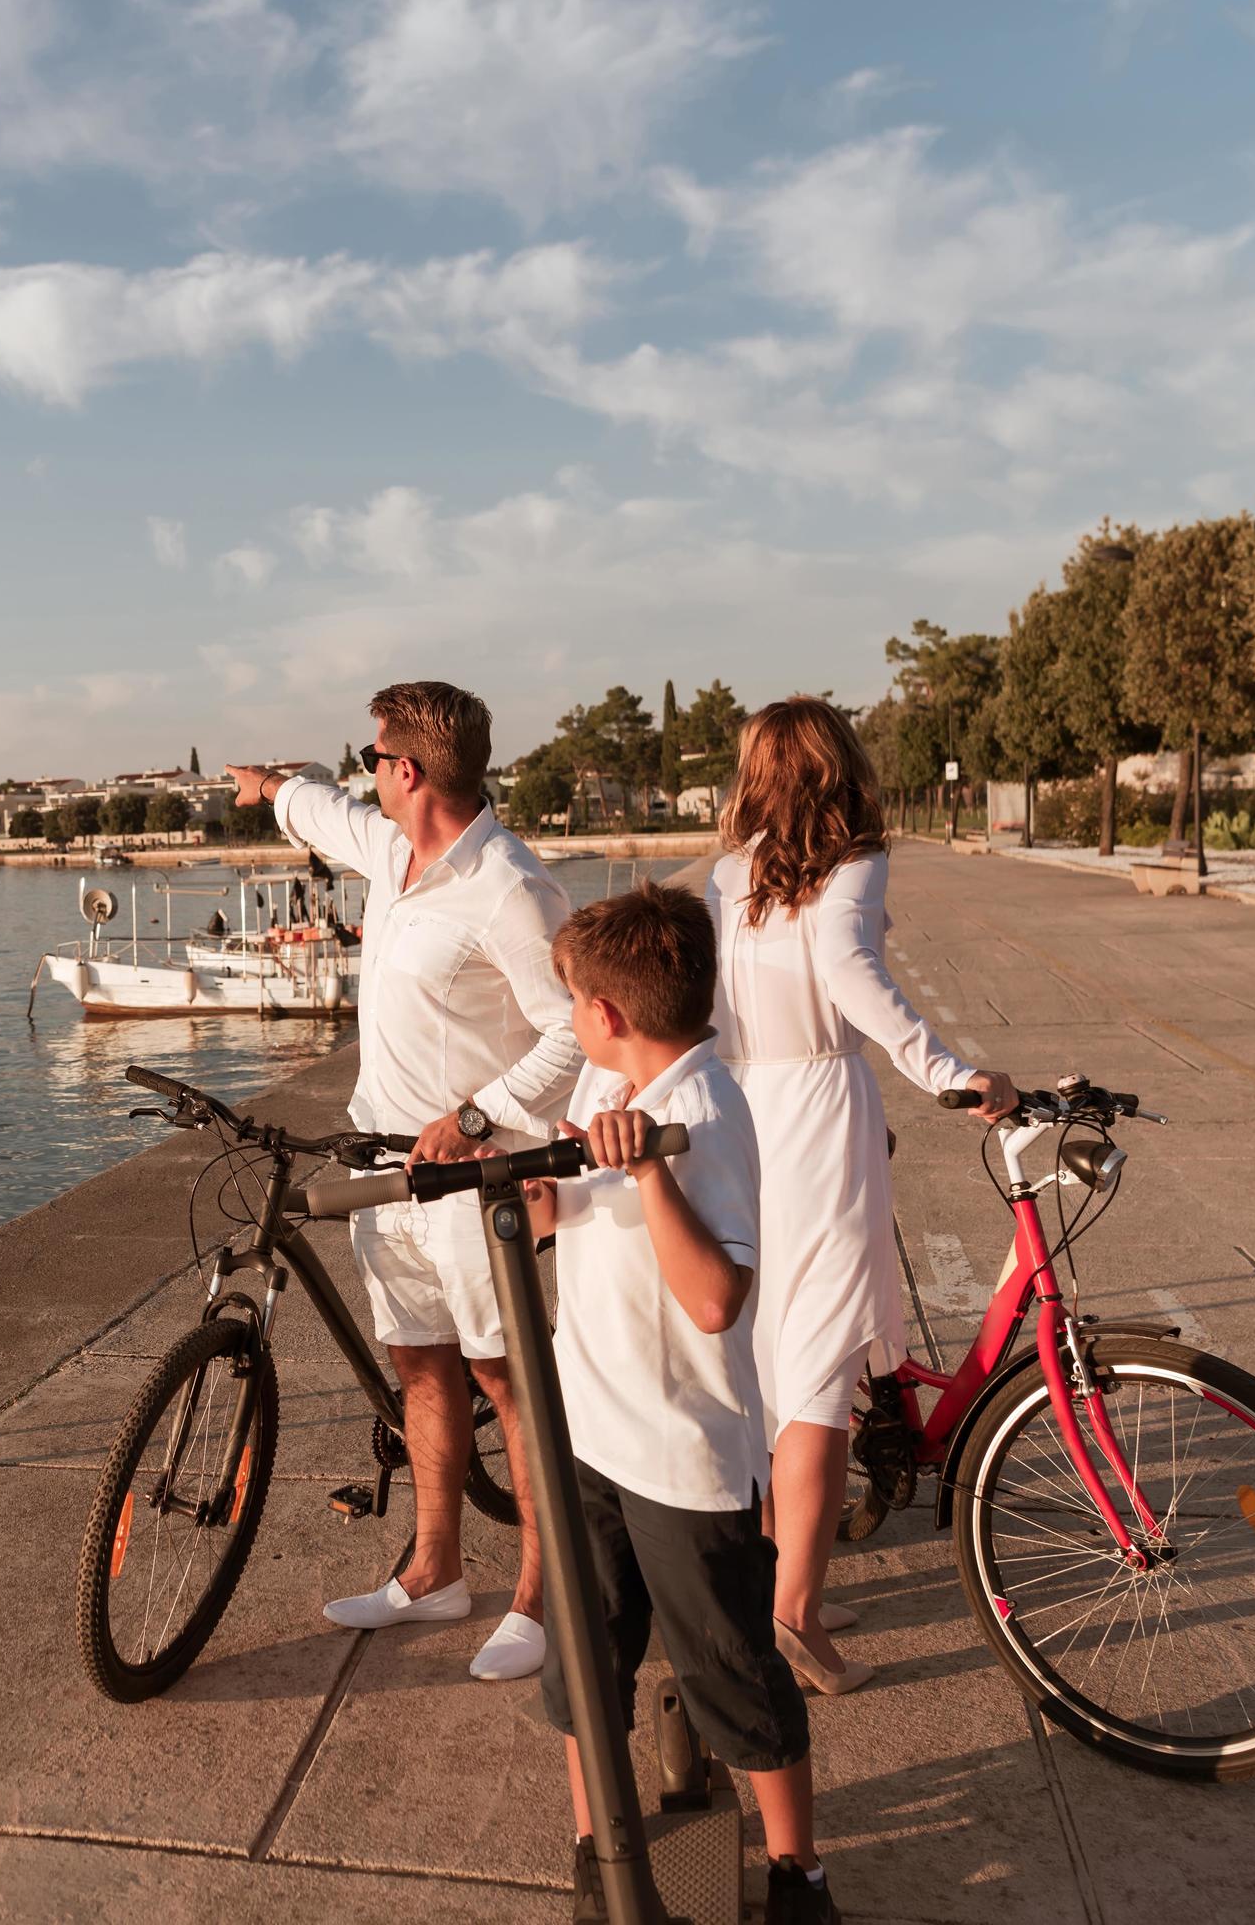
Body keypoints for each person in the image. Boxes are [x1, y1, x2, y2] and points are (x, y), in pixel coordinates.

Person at [229, 683, 579, 1683]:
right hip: (386, 1172)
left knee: (510, 1384)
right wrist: (269, 787)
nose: (368, 774)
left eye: (376, 758)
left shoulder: (512, 887)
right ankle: (435, 1574)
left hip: (479, 1183)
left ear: (411, 771)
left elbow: (572, 1027)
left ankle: (540, 1595)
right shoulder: (394, 852)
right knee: (419, 1365)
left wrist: (478, 1118)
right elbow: (324, 813)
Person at [521, 883, 835, 1925]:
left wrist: (646, 1172)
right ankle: (598, 1852)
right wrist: (551, 1200)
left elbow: (711, 1297)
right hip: (594, 1436)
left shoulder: (702, 1113)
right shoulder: (630, 1108)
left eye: (572, 1004)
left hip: (684, 1460)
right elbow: (589, 1243)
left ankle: (799, 1876)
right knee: (587, 1669)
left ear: (607, 1019)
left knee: (733, 1676)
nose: (570, 1020)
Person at [706, 698, 1012, 1695]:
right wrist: (950, 1072)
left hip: (742, 1111)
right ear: (839, 768)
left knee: (763, 1365)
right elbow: (851, 971)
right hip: (818, 1115)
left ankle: (770, 1588)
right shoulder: (854, 863)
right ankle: (795, 1614)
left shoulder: (726, 873)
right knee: (822, 1376)